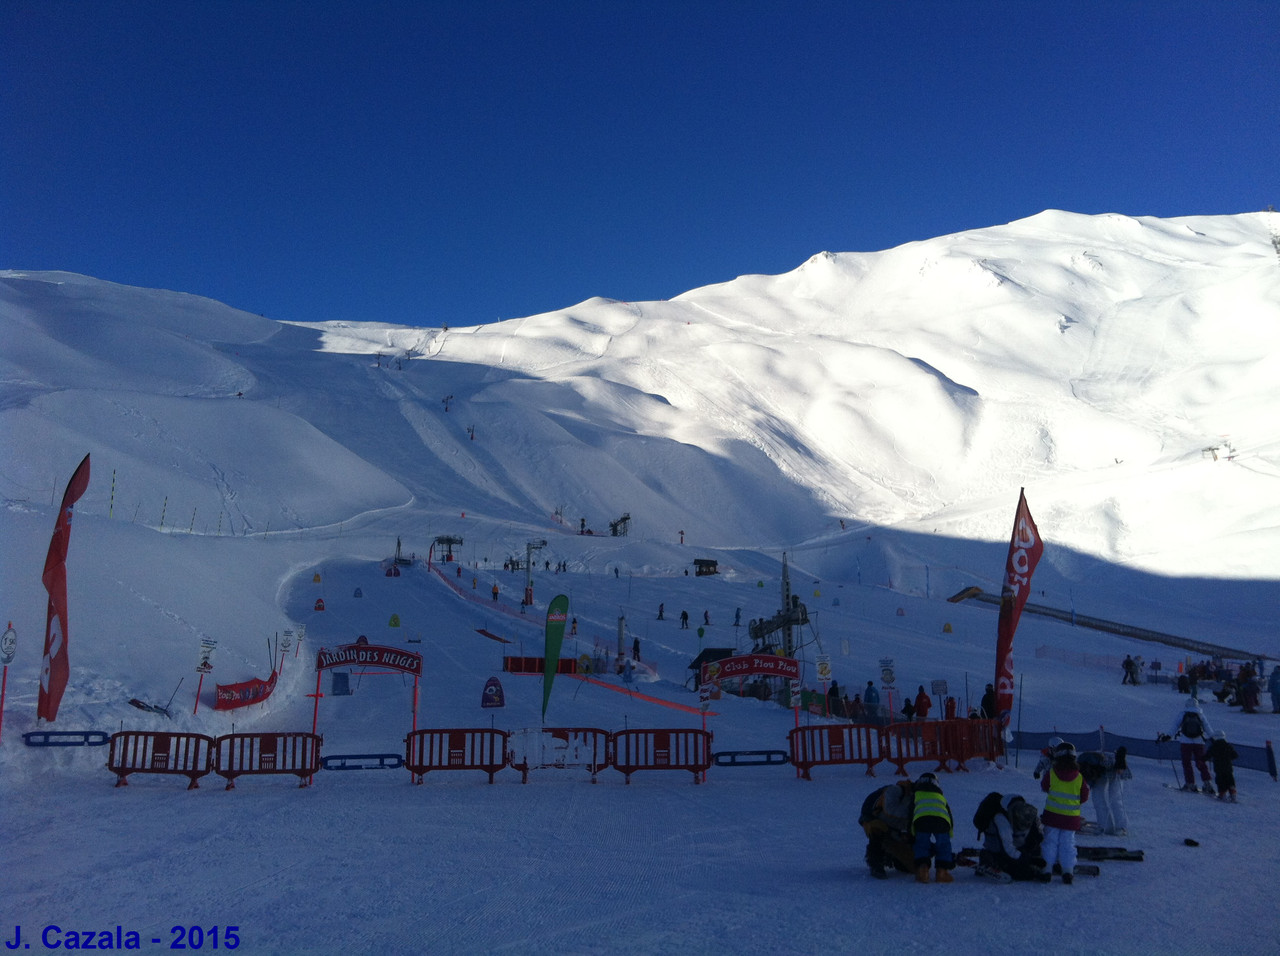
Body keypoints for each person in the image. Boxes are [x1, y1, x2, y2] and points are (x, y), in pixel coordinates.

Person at [1040, 741, 1090, 884]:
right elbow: (1084, 796)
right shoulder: (1079, 777)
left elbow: (1044, 786)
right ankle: (1067, 870)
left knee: (1050, 842)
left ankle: (1047, 869)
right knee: (1068, 844)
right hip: (1071, 819)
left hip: (1052, 817)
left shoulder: (1051, 774)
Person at [974, 793, 1047, 882]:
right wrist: (1027, 859)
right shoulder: (1001, 820)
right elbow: (1008, 849)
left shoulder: (1028, 813)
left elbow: (1038, 836)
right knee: (1019, 873)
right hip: (1000, 849)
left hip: (1017, 845)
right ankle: (988, 858)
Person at [858, 780, 915, 879]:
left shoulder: (913, 799)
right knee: (877, 829)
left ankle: (893, 855)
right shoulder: (895, 790)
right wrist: (913, 813)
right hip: (873, 820)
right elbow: (891, 810)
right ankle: (876, 862)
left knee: (913, 867)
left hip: (895, 828)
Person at [1163, 697, 1215, 792]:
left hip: (1185, 741)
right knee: (1201, 762)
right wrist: (1212, 737)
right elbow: (1207, 726)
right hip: (1199, 742)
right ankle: (1207, 783)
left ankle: (1190, 783)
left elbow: (1175, 725)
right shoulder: (1200, 715)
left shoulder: (1183, 714)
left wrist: (1168, 736)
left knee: (1187, 763)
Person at [910, 772, 955, 883]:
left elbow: (910, 813)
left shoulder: (916, 795)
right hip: (941, 820)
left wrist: (911, 830)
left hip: (921, 820)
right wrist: (950, 830)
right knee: (943, 845)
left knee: (921, 844)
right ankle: (942, 872)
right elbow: (949, 813)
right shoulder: (940, 796)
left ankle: (923, 871)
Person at [1078, 748, 1131, 835]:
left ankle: (1122, 827)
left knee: (1115, 798)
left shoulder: (1101, 763)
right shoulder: (1082, 766)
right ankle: (1106, 826)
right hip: (1101, 772)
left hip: (1114, 771)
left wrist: (1120, 764)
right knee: (1098, 799)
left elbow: (1119, 760)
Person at [1205, 731, 1239, 802]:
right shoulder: (1228, 745)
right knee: (1230, 780)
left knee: (1220, 781)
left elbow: (1208, 755)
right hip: (1228, 767)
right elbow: (1235, 755)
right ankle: (1233, 794)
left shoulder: (1214, 746)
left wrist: (1202, 759)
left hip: (1218, 768)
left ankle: (1222, 794)